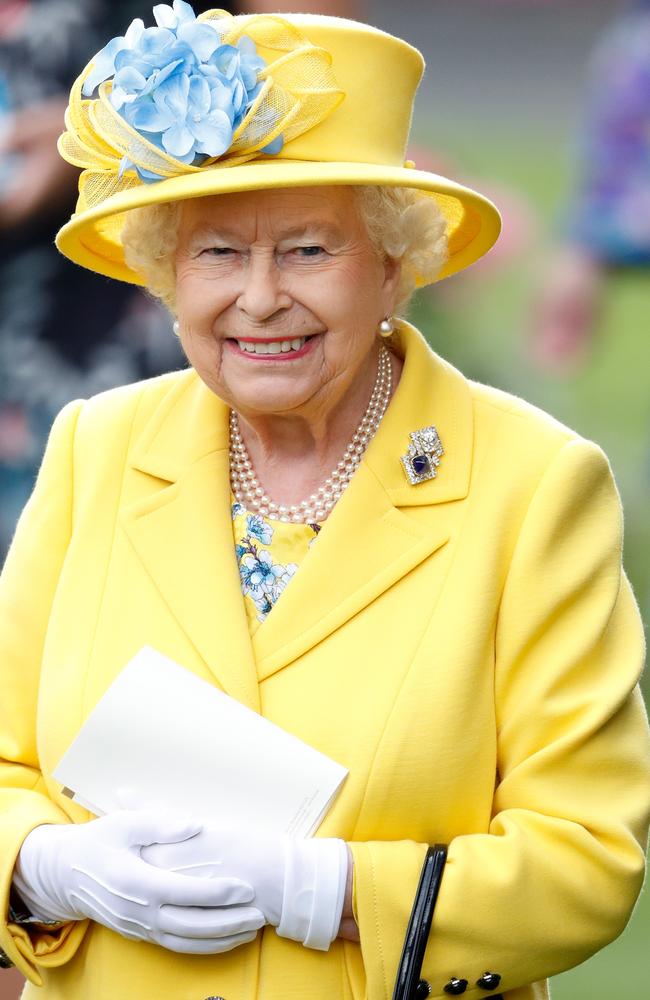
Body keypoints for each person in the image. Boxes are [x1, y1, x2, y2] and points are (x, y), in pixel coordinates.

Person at [0, 4, 648, 999]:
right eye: (215, 252)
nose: (258, 299)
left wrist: (324, 889)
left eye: (307, 250)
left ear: (394, 267)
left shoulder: (532, 483)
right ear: (165, 276)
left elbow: (584, 861)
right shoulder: (97, 445)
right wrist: (45, 866)